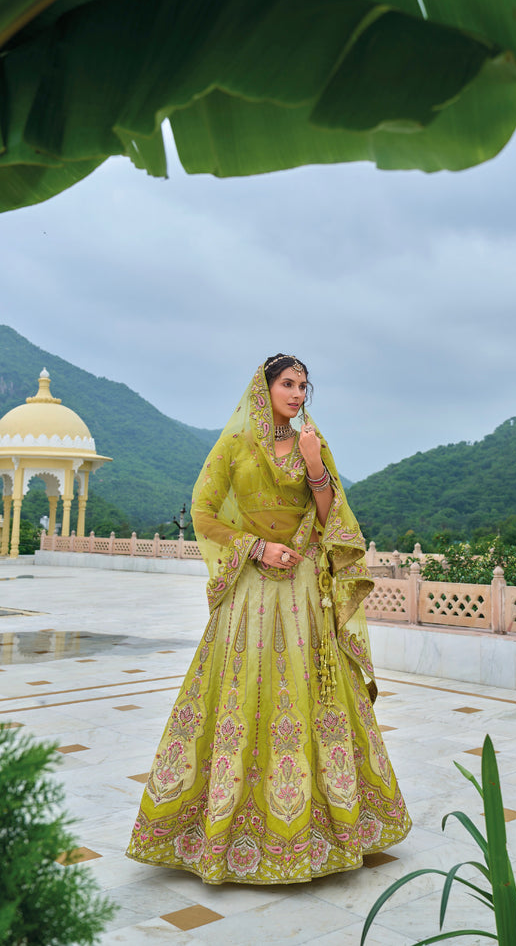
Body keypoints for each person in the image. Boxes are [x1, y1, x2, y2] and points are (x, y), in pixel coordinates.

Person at [126, 355, 411, 884]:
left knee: (310, 692)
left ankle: (331, 827)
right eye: (288, 383)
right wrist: (255, 547)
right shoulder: (235, 445)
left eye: (305, 385)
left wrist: (316, 466)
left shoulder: (312, 442)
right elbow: (205, 511)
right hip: (251, 590)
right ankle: (220, 828)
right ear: (265, 388)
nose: (299, 393)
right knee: (243, 690)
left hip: (305, 589)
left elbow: (333, 520)